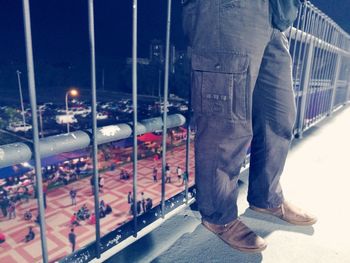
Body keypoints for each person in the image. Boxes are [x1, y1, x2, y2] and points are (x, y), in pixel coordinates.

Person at [182, 0, 317, 253]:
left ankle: (266, 198)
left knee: (279, 115)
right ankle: (217, 216)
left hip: (275, 16)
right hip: (227, 10)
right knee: (225, 123)